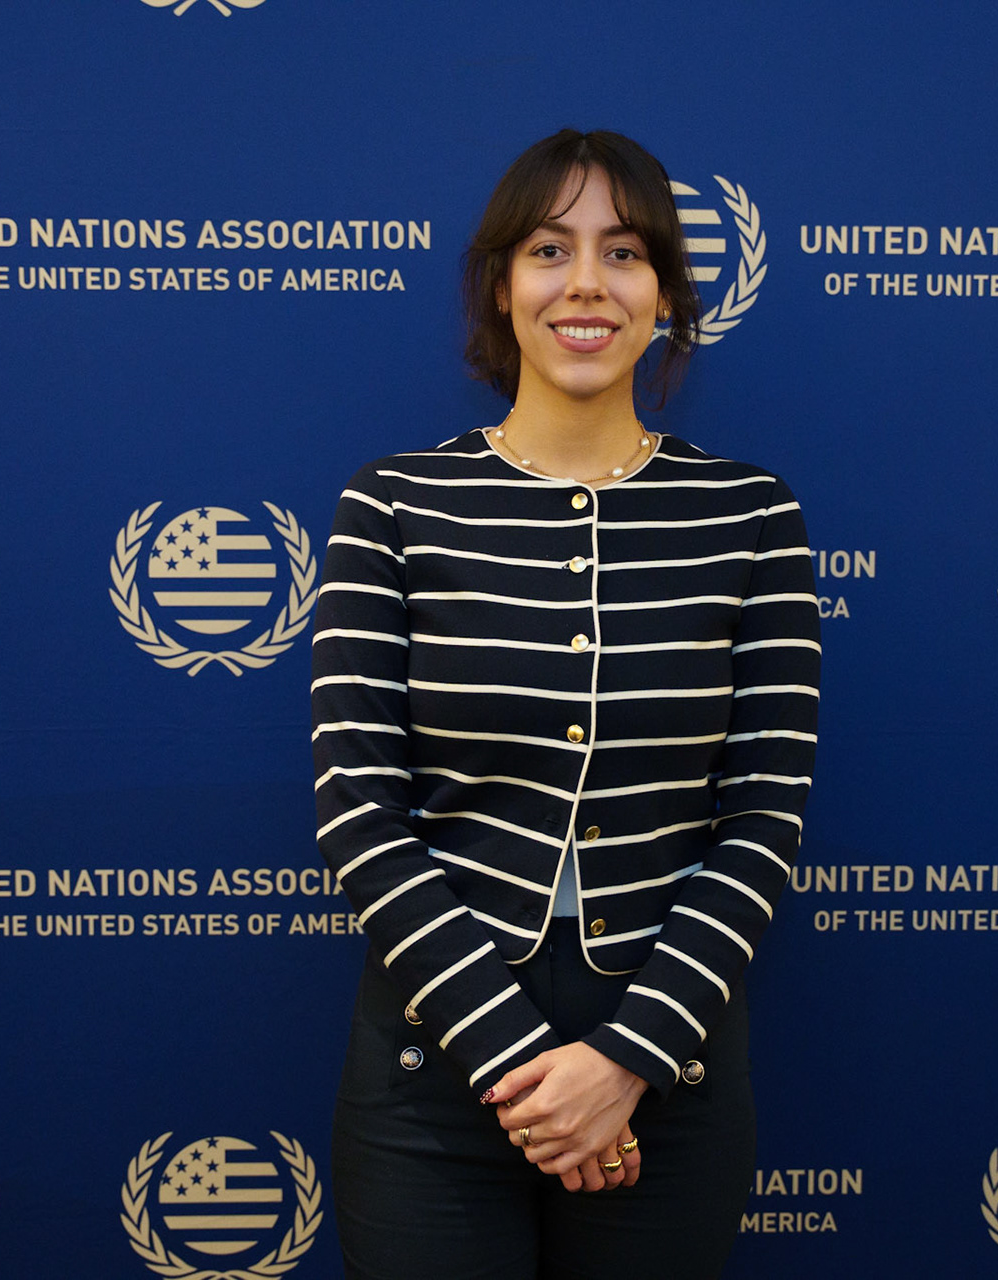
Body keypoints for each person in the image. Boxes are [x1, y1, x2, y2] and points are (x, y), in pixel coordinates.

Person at [310, 128, 819, 1280]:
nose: (587, 282)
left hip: (670, 1069)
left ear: (666, 293)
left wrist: (625, 1059)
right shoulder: (393, 505)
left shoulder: (751, 516)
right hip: (431, 1073)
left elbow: (763, 817)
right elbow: (359, 811)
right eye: (550, 248)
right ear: (501, 284)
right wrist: (526, 1070)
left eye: (624, 252)